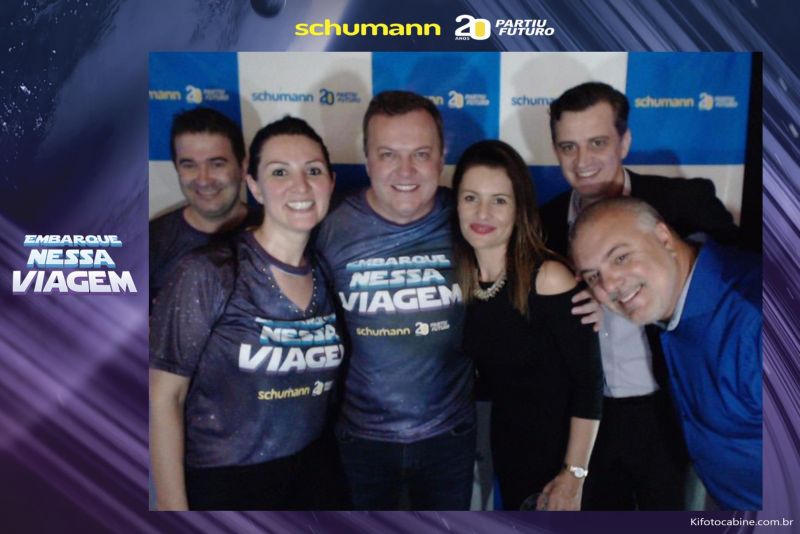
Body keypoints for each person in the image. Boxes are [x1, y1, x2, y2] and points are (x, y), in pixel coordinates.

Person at [538, 81, 740, 510]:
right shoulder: (543, 223)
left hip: (668, 411)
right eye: (569, 147)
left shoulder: (683, 202)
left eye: (597, 143)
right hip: (585, 418)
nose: (583, 161)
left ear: (625, 142)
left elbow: (735, 285)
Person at [149, 117, 344, 510]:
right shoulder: (208, 271)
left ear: (330, 182)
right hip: (226, 483)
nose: (300, 185)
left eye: (313, 171)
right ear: (254, 185)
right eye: (279, 172)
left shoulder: (324, 270)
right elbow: (164, 396)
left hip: (313, 475)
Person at [315, 90, 475, 510]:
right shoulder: (328, 226)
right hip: (359, 440)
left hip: (449, 437)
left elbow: (528, 270)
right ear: (367, 159)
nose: (406, 171)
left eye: (421, 154)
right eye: (388, 154)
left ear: (442, 158)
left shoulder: (470, 218)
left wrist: (575, 301)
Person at [569, 197, 762, 511]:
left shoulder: (758, 323)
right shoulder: (673, 298)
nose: (610, 285)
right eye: (593, 277)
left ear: (663, 237)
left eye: (620, 257)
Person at [452, 140, 603, 511]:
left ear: (519, 208)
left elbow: (589, 385)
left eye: (499, 200)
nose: (482, 212)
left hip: (565, 457)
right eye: (471, 198)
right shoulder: (465, 279)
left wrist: (574, 475)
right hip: (509, 449)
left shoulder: (548, 277)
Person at [149, 107, 261, 309]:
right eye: (189, 165)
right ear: (177, 168)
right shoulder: (151, 241)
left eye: (217, 164)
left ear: (243, 167)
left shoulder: (276, 231)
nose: (203, 179)